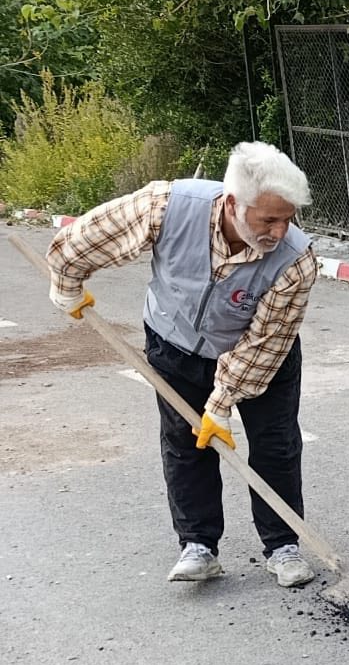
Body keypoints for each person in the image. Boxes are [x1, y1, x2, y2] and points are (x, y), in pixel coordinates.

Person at [47, 142, 320, 588]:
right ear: (232, 204)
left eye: (287, 218)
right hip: (174, 344)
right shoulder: (167, 206)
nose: (279, 230)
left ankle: (283, 546)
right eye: (268, 219)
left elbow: (265, 342)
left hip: (259, 357)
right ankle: (198, 545)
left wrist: (222, 402)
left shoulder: (296, 260)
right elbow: (84, 239)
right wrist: (67, 284)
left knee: (275, 446)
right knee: (184, 442)